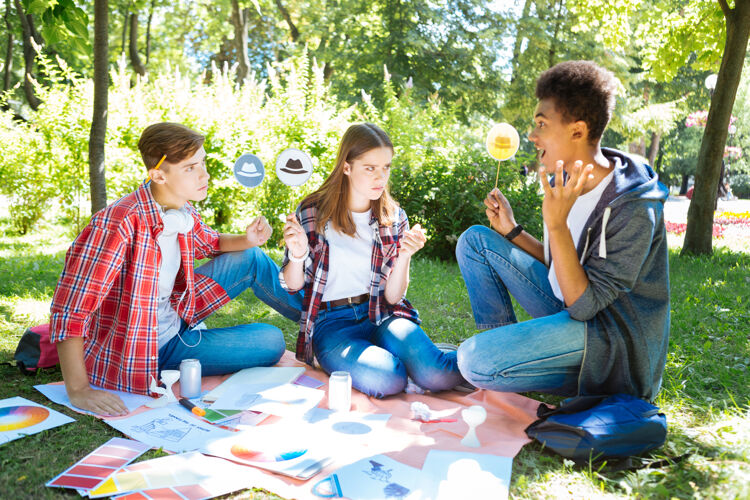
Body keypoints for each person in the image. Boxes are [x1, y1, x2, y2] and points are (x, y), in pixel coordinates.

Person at [50, 122, 302, 416]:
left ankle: (316, 321)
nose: (204, 174)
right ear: (158, 174)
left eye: (203, 162)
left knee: (251, 256)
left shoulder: (180, 211)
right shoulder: (118, 223)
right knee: (271, 340)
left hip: (177, 313)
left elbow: (210, 243)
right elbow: (70, 307)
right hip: (147, 346)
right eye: (190, 168)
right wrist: (79, 390)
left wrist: (248, 239)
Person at [455, 61, 670, 401]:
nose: (531, 135)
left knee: (473, 361)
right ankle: (513, 358)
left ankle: (511, 365)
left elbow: (585, 305)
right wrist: (512, 231)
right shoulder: (561, 178)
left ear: (577, 131)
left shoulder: (634, 207)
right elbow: (562, 262)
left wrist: (556, 222)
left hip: (608, 338)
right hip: (565, 306)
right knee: (475, 242)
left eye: (541, 124)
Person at [279, 123, 463, 397]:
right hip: (333, 325)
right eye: (370, 168)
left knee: (435, 374)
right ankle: (418, 357)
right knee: (387, 379)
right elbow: (292, 286)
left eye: (386, 167)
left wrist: (404, 256)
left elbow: (393, 296)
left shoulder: (393, 216)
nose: (381, 177)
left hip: (380, 314)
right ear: (346, 167)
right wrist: (297, 253)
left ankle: (473, 356)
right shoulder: (312, 211)